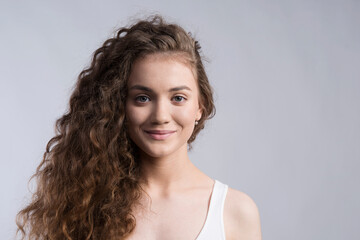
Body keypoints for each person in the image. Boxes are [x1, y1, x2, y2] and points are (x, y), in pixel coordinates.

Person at [16, 15, 262, 240]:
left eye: (178, 98)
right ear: (118, 105)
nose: (161, 116)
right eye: (143, 98)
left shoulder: (235, 212)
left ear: (200, 106)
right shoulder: (84, 204)